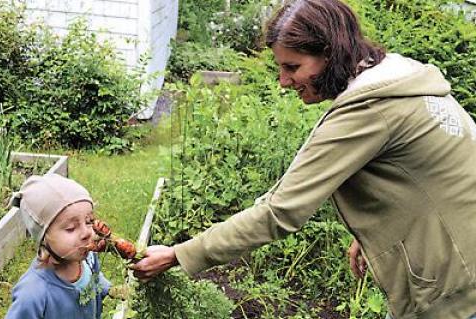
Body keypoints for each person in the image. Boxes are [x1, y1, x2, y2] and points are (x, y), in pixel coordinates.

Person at [131, 0, 476, 318]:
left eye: (292, 67)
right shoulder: (401, 79)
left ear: (330, 53)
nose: (283, 81)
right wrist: (375, 232)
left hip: (458, 287)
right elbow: (432, 171)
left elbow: (280, 211)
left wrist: (179, 254)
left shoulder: (370, 109)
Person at [5, 173, 111, 319]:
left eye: (89, 221)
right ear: (44, 238)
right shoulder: (32, 294)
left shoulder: (88, 259)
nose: (87, 233)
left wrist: (109, 290)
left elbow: (95, 279)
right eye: (71, 228)